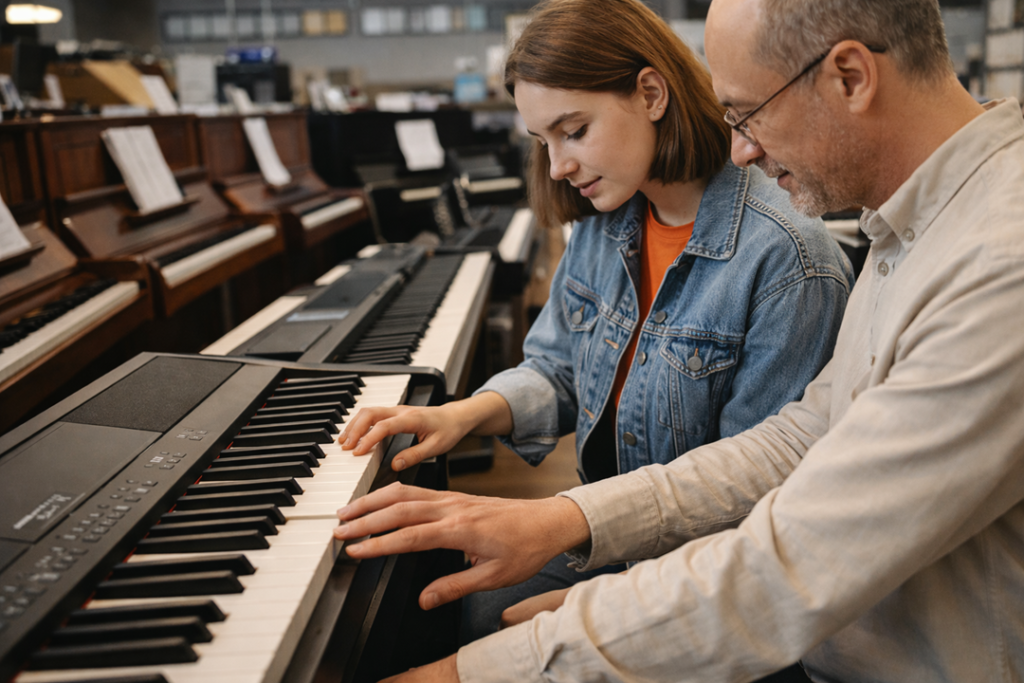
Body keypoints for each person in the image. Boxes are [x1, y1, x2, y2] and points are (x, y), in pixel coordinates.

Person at [335, 0, 1024, 680]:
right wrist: (569, 516)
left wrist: (484, 667)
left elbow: (789, 564)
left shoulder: (997, 262)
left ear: (849, 76)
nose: (742, 148)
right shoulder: (909, 221)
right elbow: (801, 435)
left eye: (749, 113)